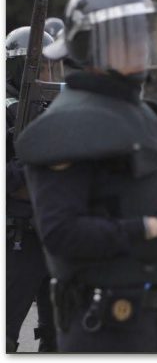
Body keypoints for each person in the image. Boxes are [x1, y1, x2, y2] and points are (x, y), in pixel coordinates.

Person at [14, 0, 157, 352]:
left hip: (152, 321)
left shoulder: (141, 115)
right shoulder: (65, 127)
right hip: (99, 328)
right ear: (90, 45)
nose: (139, 46)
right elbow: (62, 234)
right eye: (124, 36)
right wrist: (150, 227)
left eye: (141, 33)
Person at [6, 27, 63, 352]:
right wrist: (34, 170)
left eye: (50, 66)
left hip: (55, 233)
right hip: (18, 239)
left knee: (59, 335)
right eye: (41, 66)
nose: (48, 74)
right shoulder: (6, 110)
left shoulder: (51, 108)